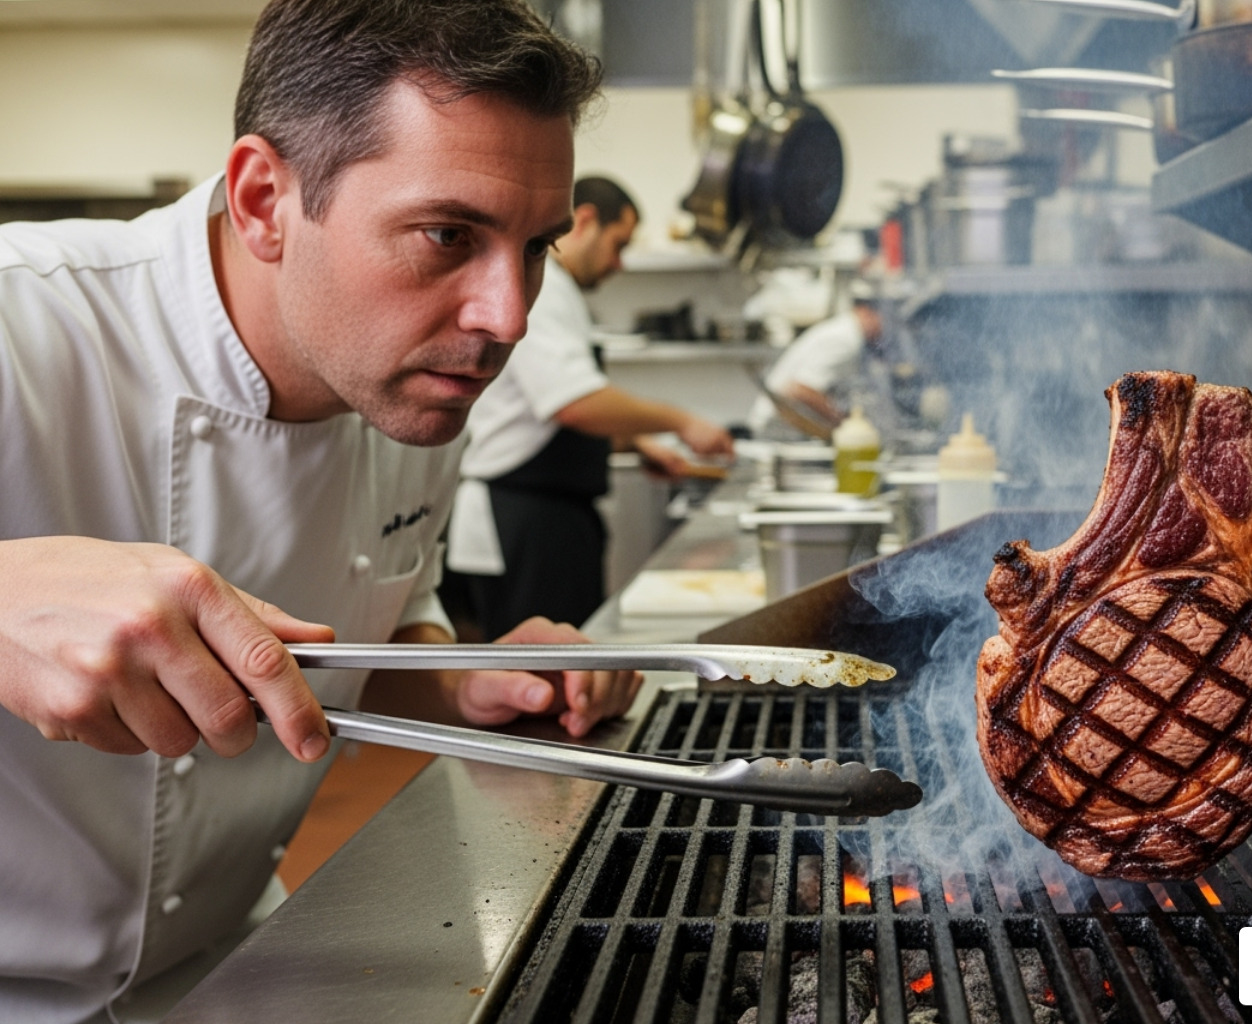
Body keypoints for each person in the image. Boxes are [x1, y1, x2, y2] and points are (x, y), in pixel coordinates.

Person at [0, 2, 644, 1020]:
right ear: (265, 200)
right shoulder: (24, 323)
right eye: (448, 234)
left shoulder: (418, 382)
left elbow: (373, 630)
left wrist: (466, 686)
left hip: (228, 966)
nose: (505, 316)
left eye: (535, 248)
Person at [444, 177, 735, 639]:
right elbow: (573, 403)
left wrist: (639, 444)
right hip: (526, 519)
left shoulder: (564, 293)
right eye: (618, 245)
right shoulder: (546, 289)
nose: (619, 263)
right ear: (585, 221)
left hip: (548, 515)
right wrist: (682, 422)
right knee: (542, 678)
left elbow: (549, 404)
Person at [748, 284, 886, 438]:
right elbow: (799, 389)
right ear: (867, 312)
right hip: (777, 431)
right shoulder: (846, 339)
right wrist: (845, 422)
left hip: (786, 430)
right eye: (884, 320)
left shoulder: (845, 332)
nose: (884, 330)